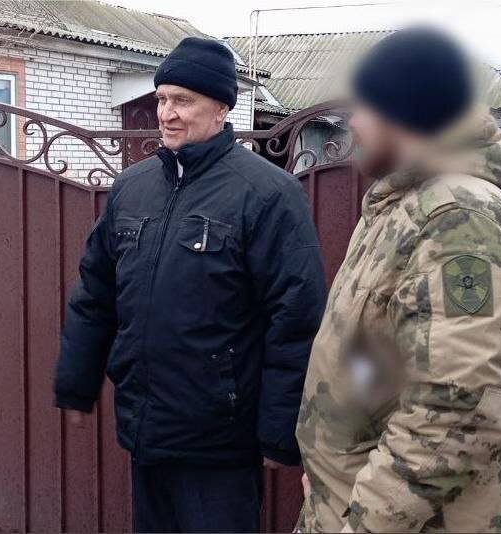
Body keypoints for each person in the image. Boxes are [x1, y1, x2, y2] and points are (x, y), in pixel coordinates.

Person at [54, 36, 327, 533]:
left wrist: (278, 431)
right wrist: (76, 383)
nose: (167, 113)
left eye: (183, 100)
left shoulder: (267, 193)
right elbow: (96, 293)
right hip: (146, 430)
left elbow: (295, 318)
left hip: (220, 440)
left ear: (221, 108)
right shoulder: (133, 188)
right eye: (161, 99)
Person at [296, 27, 501, 532]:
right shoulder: (404, 205)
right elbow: (378, 363)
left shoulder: (458, 217)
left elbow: (456, 415)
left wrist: (362, 520)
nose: (354, 123)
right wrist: (328, 472)